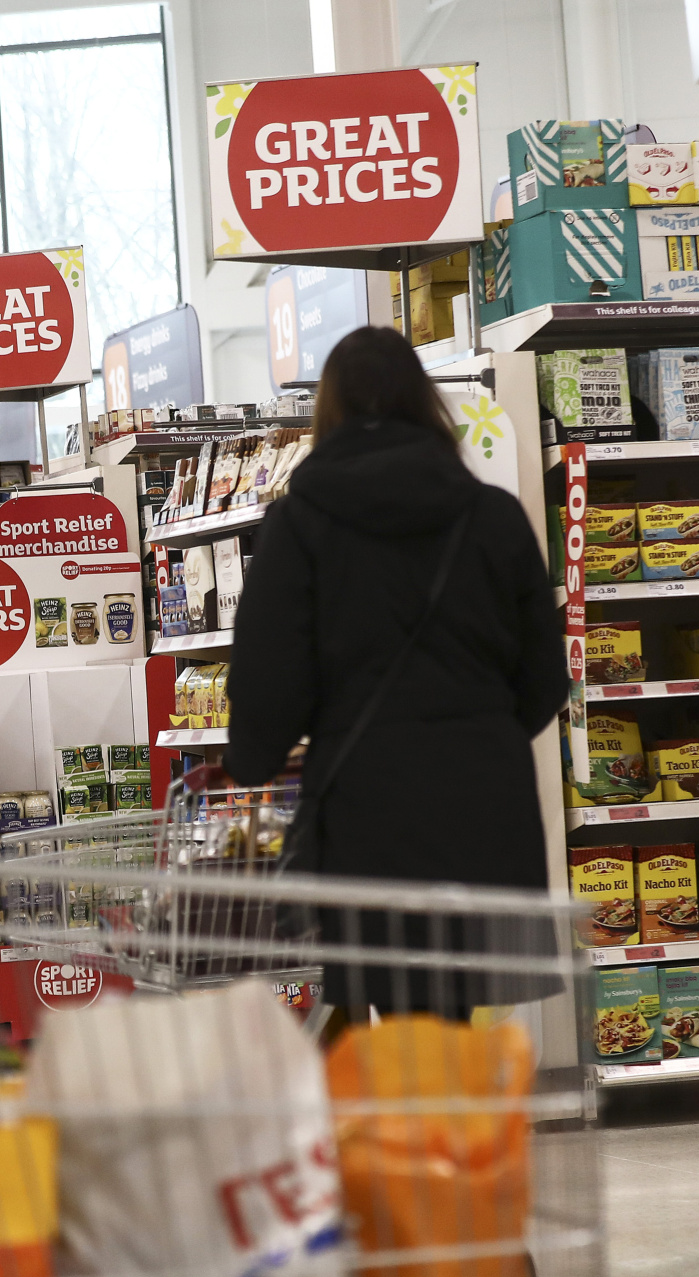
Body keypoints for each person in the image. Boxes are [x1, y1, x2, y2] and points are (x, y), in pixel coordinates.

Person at [218, 325, 567, 1018]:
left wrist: (251, 759)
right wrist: (475, 733)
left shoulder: (299, 525)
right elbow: (544, 677)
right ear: (424, 404)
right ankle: (456, 1128)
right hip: (482, 802)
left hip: (364, 804)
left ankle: (401, 1128)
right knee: (452, 1012)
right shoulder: (493, 517)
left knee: (385, 1010)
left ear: (329, 410)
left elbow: (268, 675)